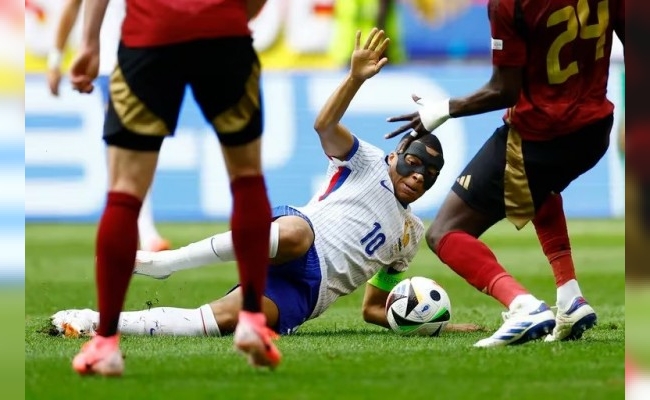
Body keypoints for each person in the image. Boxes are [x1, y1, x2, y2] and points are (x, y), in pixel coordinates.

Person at [51, 27, 482, 342]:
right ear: (394, 156)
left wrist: (433, 324)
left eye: (427, 176)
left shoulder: (409, 237)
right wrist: (354, 79)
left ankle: (94, 321)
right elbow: (324, 124)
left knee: (224, 319)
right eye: (411, 164)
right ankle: (167, 264)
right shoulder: (367, 162)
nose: (416, 176)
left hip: (308, 292)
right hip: (300, 236)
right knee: (295, 235)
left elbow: (373, 308)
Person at [383, 0, 624, 347]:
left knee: (445, 232)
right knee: (538, 186)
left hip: (541, 136)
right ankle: (570, 298)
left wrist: (441, 110)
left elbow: (504, 90)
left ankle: (522, 306)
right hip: (594, 131)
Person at [67, 0, 278, 375]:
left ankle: (107, 344)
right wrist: (231, 18)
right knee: (247, 178)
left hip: (149, 35)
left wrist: (89, 42)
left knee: (125, 192)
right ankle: (250, 319)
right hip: (224, 33)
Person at [46, 0, 170, 252]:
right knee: (129, 147)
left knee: (141, 146)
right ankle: (142, 232)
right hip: (112, 63)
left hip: (147, 58)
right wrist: (55, 59)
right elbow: (72, 6)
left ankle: (135, 230)